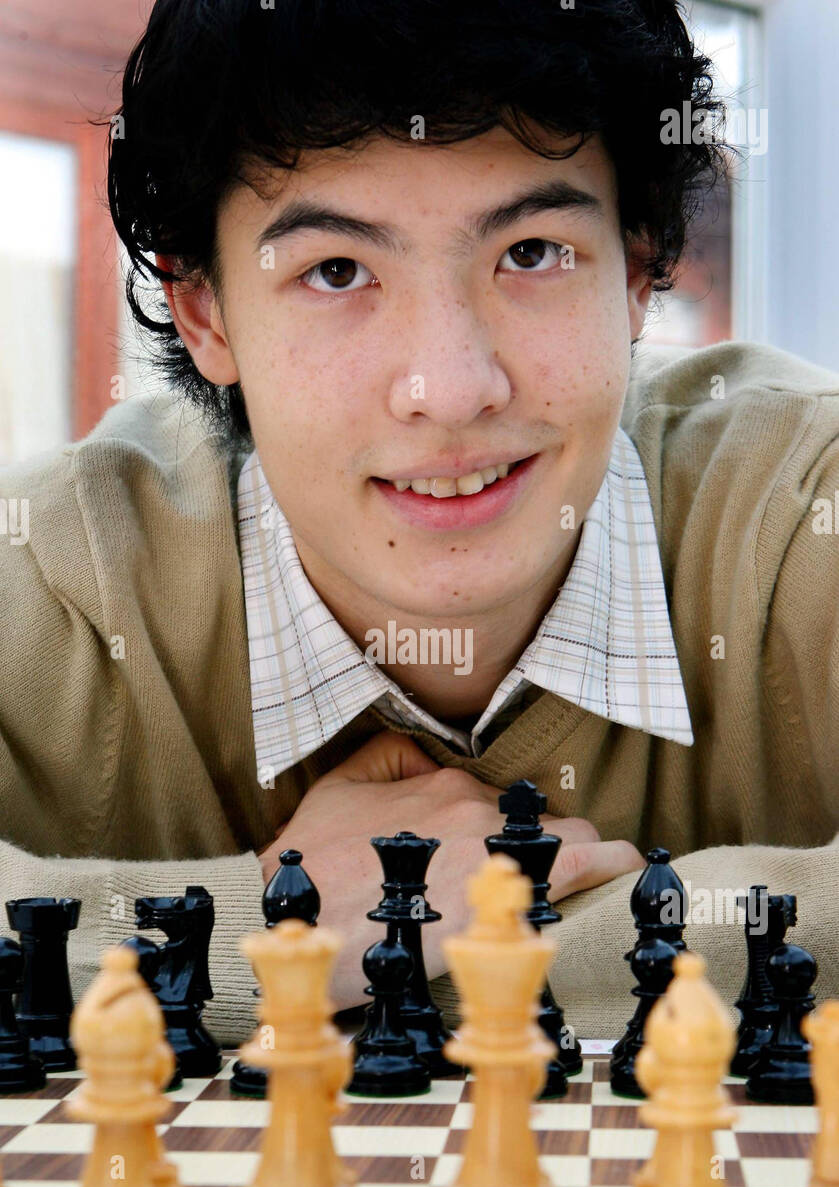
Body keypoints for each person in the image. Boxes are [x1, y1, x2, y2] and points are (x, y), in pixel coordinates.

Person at [1, 0, 836, 1042]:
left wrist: (301, 955)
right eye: (337, 271)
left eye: (530, 252)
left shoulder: (810, 516)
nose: (449, 388)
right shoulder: (49, 578)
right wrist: (273, 936)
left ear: (633, 268)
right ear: (203, 310)